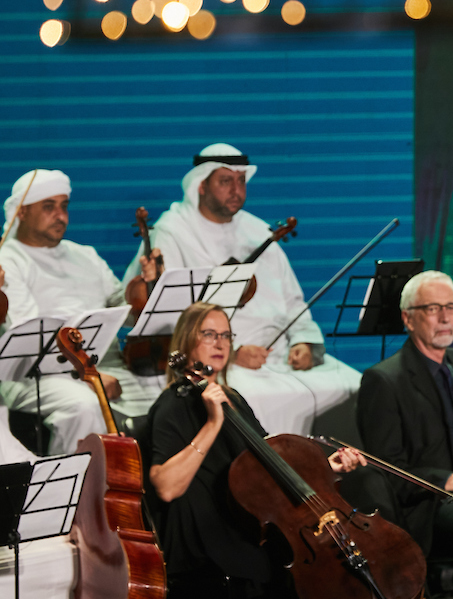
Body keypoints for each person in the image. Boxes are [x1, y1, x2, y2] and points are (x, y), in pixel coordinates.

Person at [120, 143, 361, 436]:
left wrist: (304, 343)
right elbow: (161, 320)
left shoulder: (259, 232)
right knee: (245, 400)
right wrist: (231, 353)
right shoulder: (171, 232)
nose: (236, 189)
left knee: (352, 385)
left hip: (280, 356)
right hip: (222, 361)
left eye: (241, 181)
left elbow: (293, 299)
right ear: (201, 185)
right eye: (225, 181)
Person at [145, 301, 364, 599]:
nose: (220, 343)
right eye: (209, 334)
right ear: (187, 340)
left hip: (246, 533)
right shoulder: (172, 404)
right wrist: (212, 424)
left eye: (226, 335)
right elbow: (166, 487)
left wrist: (328, 467)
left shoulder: (234, 400)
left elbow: (268, 464)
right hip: (208, 547)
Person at [0, 169, 160, 454]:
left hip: (104, 366)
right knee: (84, 405)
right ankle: (73, 493)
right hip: (35, 376)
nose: (60, 215)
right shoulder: (8, 260)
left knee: (165, 394)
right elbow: (26, 335)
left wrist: (144, 287)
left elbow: (122, 307)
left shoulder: (84, 254)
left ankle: (153, 489)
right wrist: (89, 375)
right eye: (48, 207)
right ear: (22, 213)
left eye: (64, 206)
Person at [356, 270, 453, 599]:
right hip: (430, 504)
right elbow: (386, 470)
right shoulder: (383, 381)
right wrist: (448, 479)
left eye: (451, 307)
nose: (445, 318)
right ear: (407, 318)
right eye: (433, 308)